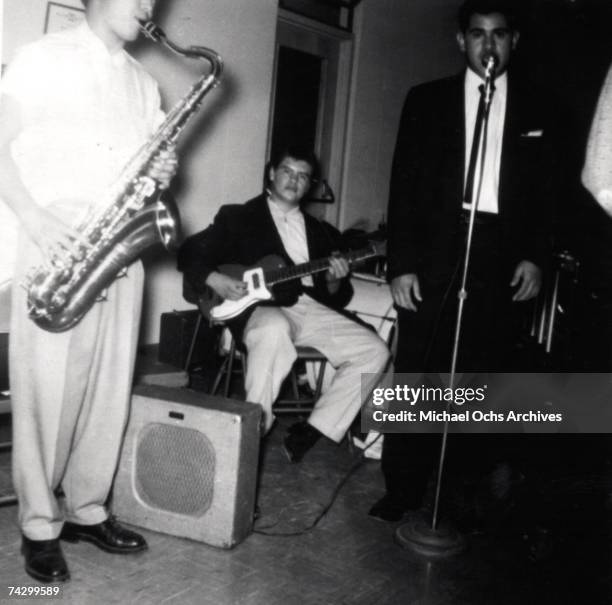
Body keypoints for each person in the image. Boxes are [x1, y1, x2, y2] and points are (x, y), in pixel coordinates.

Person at [0, 0, 177, 583]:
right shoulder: (41, 58)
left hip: (121, 244)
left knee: (107, 389)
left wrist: (164, 169)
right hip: (58, 241)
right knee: (45, 392)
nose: (149, 6)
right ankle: (39, 526)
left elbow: (149, 175)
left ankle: (86, 509)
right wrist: (33, 218)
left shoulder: (144, 84)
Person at [370, 0, 558, 522]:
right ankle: (402, 488)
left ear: (513, 41)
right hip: (436, 245)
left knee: (481, 372)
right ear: (461, 42)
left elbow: (548, 195)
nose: (488, 45)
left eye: (499, 35)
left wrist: (536, 257)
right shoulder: (425, 100)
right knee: (420, 367)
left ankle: (457, 491)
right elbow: (402, 184)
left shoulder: (540, 107)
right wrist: (401, 263)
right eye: (478, 34)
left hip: (501, 247)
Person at [178, 146, 390, 462]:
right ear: (272, 173)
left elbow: (337, 294)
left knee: (375, 351)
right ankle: (249, 442)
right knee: (274, 330)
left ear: (310, 184)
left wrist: (334, 279)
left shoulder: (322, 231)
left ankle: (313, 430)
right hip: (261, 308)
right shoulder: (238, 216)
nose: (294, 180)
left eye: (303, 175)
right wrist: (215, 279)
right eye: (288, 171)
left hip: (311, 308)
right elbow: (189, 252)